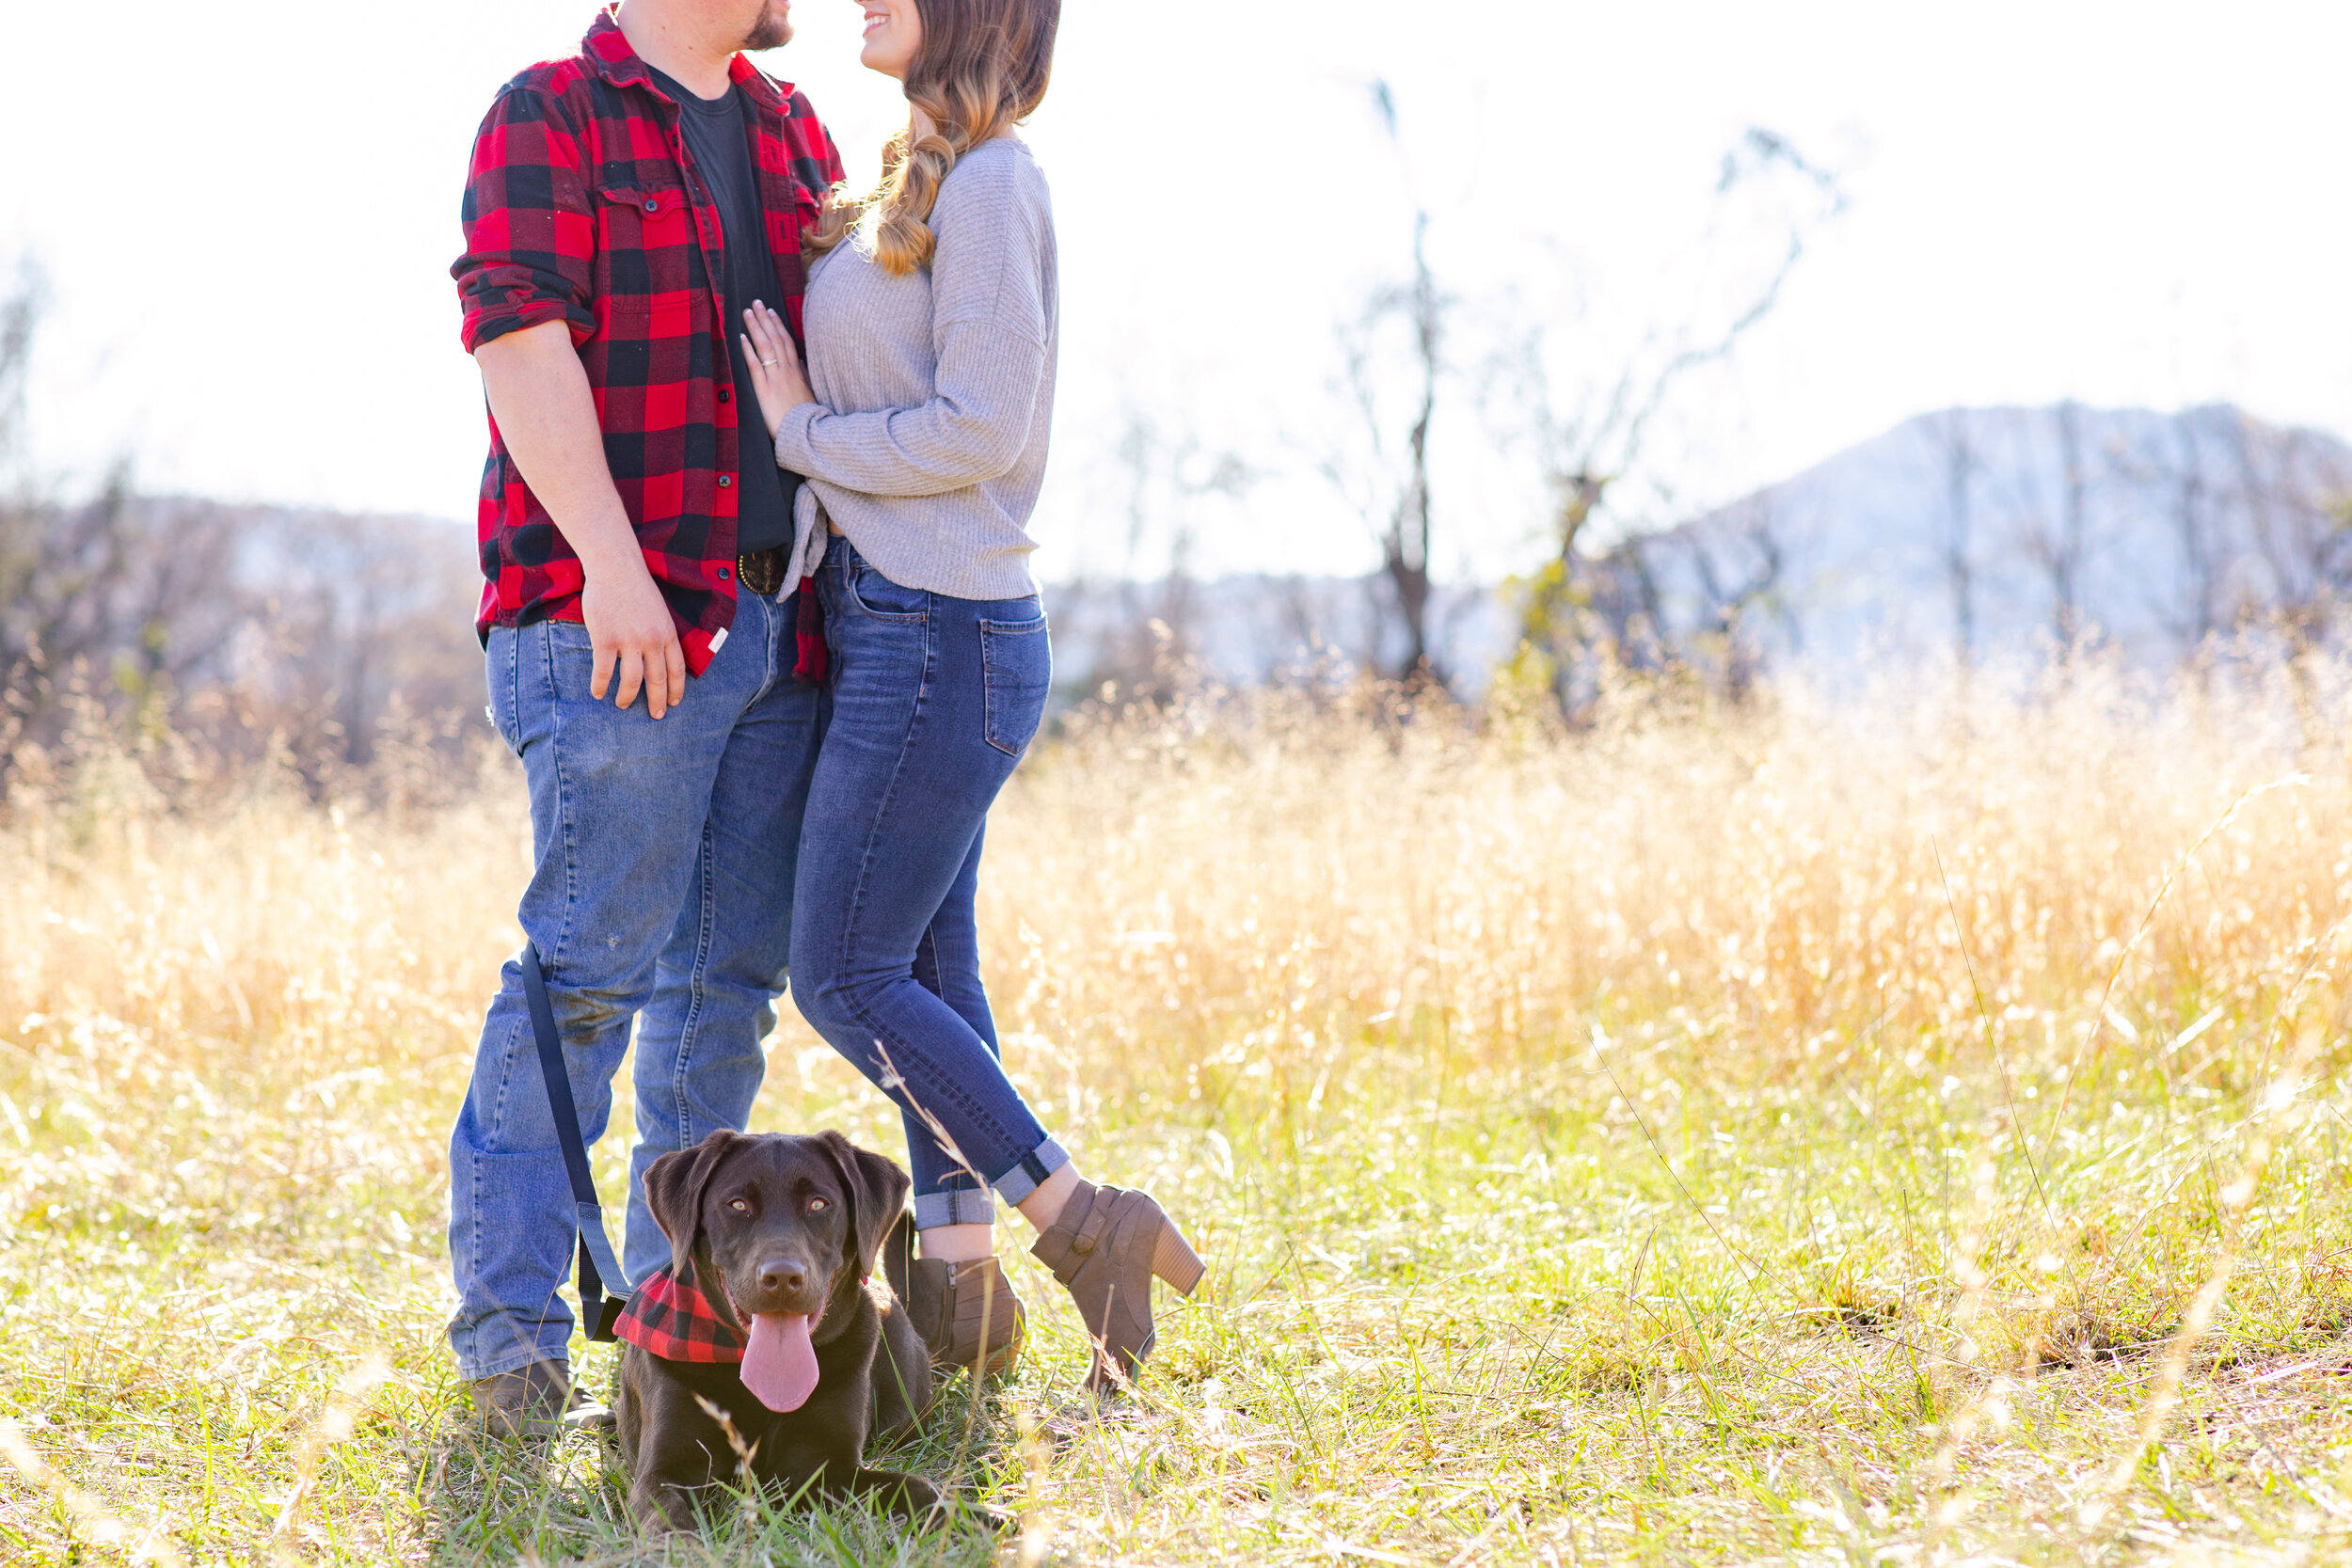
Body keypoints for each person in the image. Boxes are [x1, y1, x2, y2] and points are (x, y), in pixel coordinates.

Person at [737, 0, 1204, 1394]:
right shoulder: (917, 172)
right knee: (930, 972)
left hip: (947, 629)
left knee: (843, 972)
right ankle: (958, 1292)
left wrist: (800, 434)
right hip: (897, 621)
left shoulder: (1000, 184)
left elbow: (985, 429)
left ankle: (1081, 1225)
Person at [445, 0, 844, 1437]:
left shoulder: (797, 131)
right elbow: (517, 340)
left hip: (776, 625)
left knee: (724, 995)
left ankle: (677, 1336)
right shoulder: (552, 109)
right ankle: (511, 1343)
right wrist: (615, 571)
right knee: (585, 983)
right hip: (615, 622)